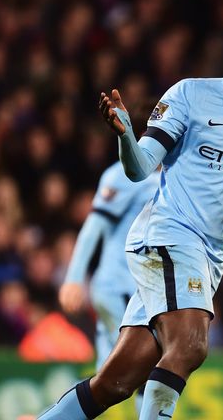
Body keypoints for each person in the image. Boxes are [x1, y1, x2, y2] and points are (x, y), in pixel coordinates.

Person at [38, 25, 223, 420]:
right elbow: (140, 167)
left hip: (210, 256)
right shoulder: (192, 95)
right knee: (192, 344)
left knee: (115, 384)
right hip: (168, 234)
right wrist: (126, 136)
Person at [58, 128, 159, 366]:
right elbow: (94, 227)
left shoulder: (170, 178)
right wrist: (73, 278)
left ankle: (76, 403)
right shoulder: (125, 174)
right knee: (144, 366)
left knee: (108, 373)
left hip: (132, 289)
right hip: (121, 286)